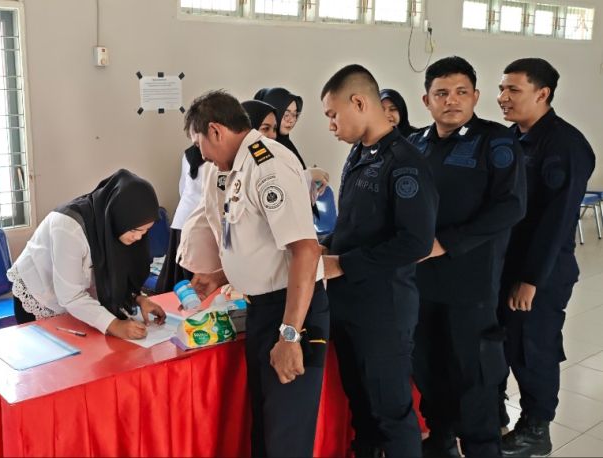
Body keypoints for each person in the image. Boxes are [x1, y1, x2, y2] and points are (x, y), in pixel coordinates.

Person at [179, 90, 327, 457]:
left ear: (216, 131)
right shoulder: (236, 168)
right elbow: (258, 243)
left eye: (199, 143)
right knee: (265, 428)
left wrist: (290, 335)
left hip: (291, 311)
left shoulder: (268, 165)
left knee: (285, 436)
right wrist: (220, 276)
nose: (202, 154)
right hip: (263, 308)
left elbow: (305, 250)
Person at [407, 56, 526, 458]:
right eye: (441, 93)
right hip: (420, 284)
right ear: (426, 100)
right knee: (429, 371)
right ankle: (440, 444)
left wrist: (447, 242)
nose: (451, 100)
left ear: (475, 96)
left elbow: (511, 206)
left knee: (474, 379)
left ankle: (481, 447)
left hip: (471, 285)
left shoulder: (496, 141)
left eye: (461, 92)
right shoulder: (415, 144)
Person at [319, 65, 438, 458]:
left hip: (383, 308)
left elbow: (415, 242)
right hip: (348, 302)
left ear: (359, 102)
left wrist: (343, 264)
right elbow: (355, 225)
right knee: (361, 404)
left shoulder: (405, 162)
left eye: (333, 115)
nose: (331, 125)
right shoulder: (359, 153)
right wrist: (325, 247)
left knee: (391, 410)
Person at [497, 58, 596, 457]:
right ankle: (497, 414)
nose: (503, 97)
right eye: (501, 89)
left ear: (542, 93)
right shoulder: (511, 139)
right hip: (506, 264)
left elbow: (557, 221)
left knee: (532, 347)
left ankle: (536, 429)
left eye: (513, 90)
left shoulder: (565, 146)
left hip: (542, 272)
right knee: (503, 344)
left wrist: (531, 279)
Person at [7, 169, 167, 339]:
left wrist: (137, 298)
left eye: (145, 231)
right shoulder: (69, 228)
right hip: (40, 294)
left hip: (78, 300)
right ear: (119, 217)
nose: (139, 237)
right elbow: (70, 296)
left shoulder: (115, 225)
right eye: (135, 230)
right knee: (52, 351)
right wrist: (114, 325)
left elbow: (118, 270)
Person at [154, 144, 205, 293]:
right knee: (193, 275)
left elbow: (182, 188)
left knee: (178, 273)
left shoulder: (188, 154)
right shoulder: (215, 158)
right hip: (199, 222)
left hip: (182, 218)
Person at [254, 87, 307, 169]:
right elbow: (269, 174)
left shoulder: (286, 143)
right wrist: (308, 174)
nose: (291, 120)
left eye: (294, 114)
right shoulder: (258, 146)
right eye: (286, 114)